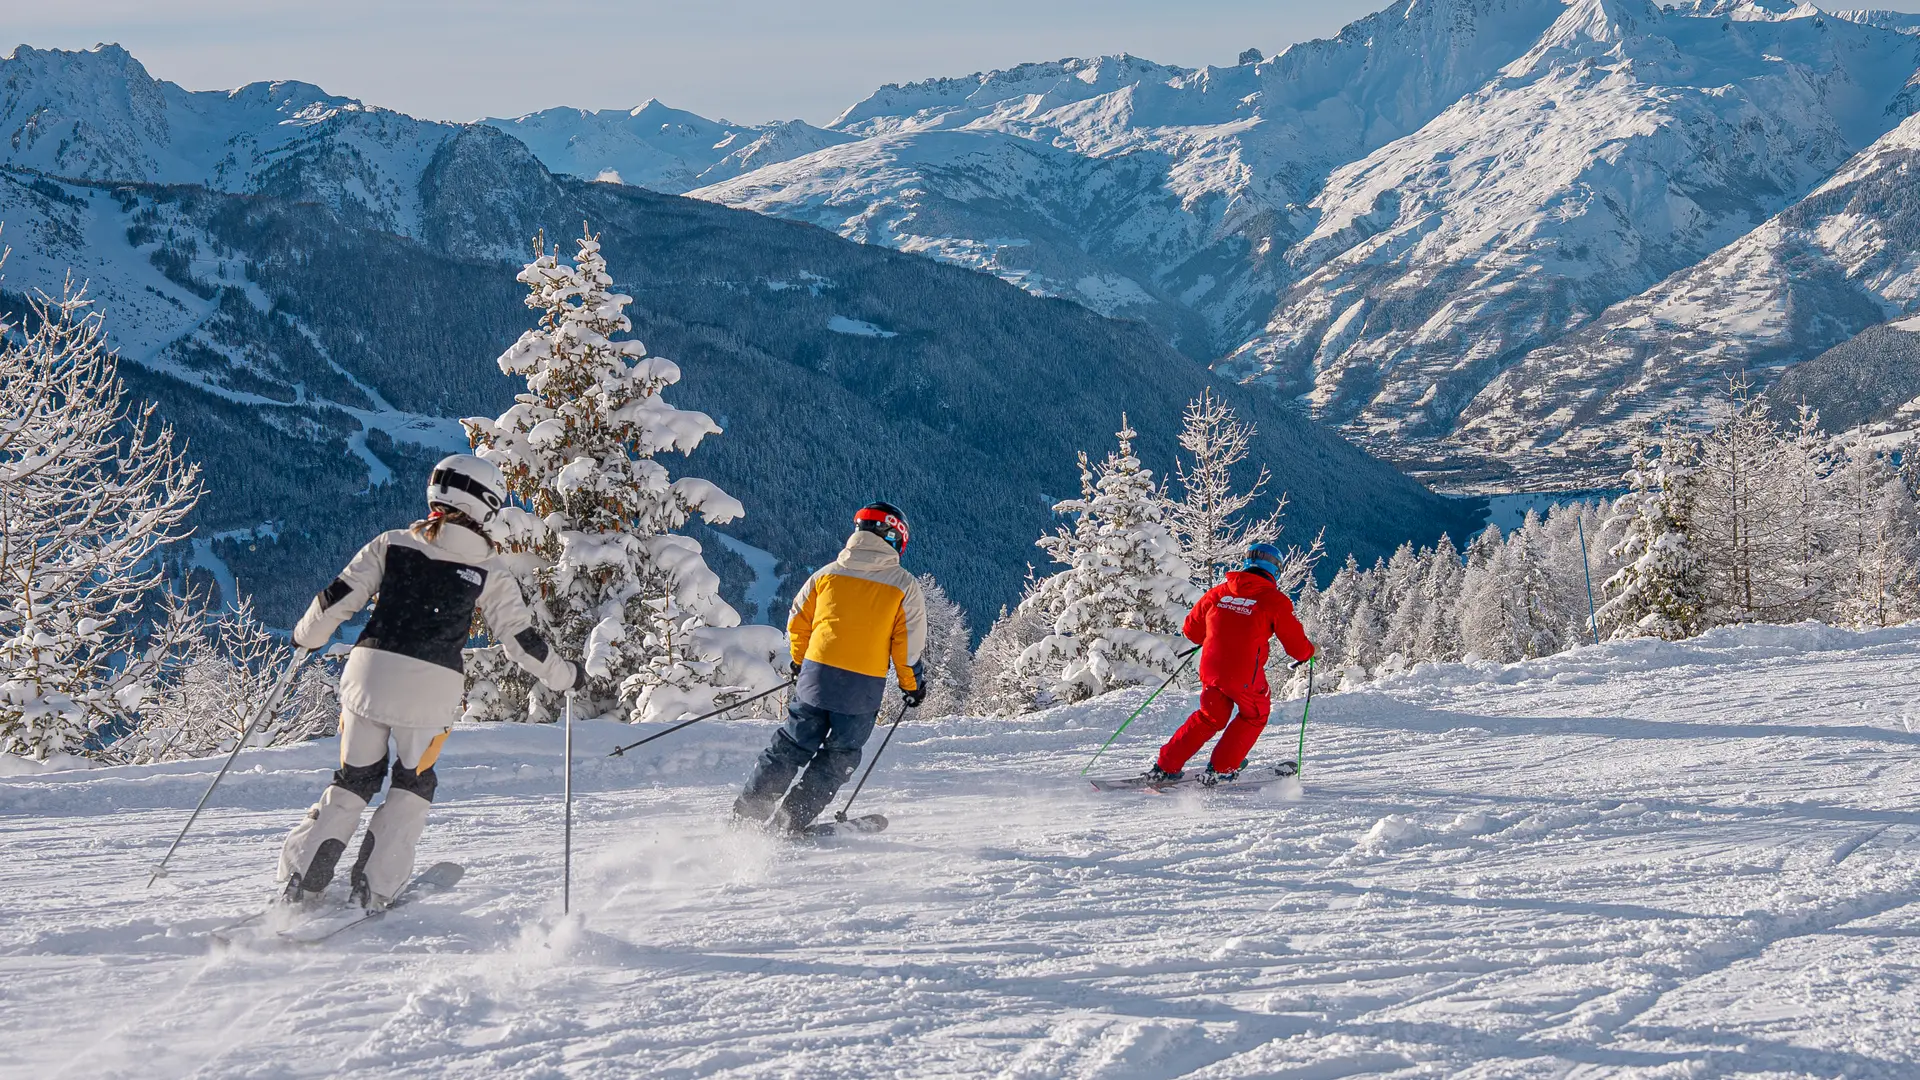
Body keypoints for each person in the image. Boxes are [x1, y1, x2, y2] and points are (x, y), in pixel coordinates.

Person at [279, 454, 578, 910]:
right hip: (431, 689)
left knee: (352, 781)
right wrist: (565, 676)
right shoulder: (490, 569)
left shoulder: (393, 543)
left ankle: (303, 879)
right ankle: (374, 887)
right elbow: (521, 640)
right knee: (411, 783)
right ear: (485, 506)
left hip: (368, 674)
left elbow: (336, 599)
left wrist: (306, 638)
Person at [734, 502, 928, 833]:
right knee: (839, 756)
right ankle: (789, 822)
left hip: (816, 677)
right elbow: (907, 646)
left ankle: (746, 818)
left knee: (790, 746)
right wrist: (912, 685)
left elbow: (797, 622)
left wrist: (800, 661)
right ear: (897, 538)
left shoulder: (826, 575)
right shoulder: (903, 585)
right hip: (861, 688)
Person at [1147, 540, 1315, 785]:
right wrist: (1311, 652)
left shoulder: (1218, 593)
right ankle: (1222, 768)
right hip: (1245, 676)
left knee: (1209, 717)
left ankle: (1165, 767)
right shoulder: (1273, 600)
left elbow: (1192, 632)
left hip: (1211, 671)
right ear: (1276, 569)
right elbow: (1298, 648)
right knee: (1255, 714)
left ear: (1246, 562)